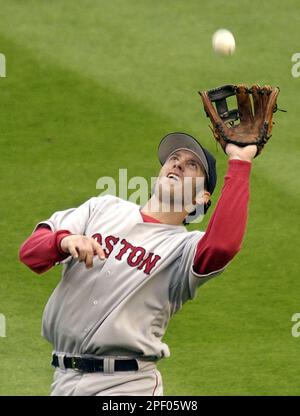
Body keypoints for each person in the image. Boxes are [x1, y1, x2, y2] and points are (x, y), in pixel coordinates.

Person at [19, 132, 256, 396]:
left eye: (192, 165)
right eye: (174, 158)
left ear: (201, 198)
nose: (177, 163)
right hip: (63, 381)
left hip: (127, 387)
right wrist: (63, 241)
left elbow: (223, 245)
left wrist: (239, 162)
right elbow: (30, 253)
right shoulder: (103, 208)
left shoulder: (184, 249)